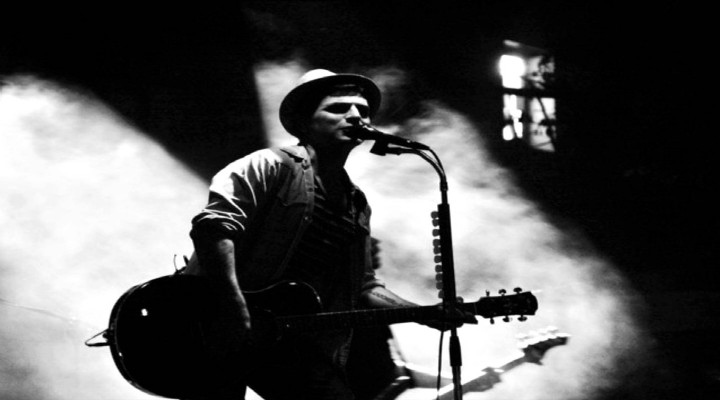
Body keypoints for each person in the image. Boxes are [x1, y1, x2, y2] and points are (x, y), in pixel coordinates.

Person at [183, 69, 472, 400]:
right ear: (304, 122)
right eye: (338, 108)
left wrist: (423, 313)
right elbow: (213, 229)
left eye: (363, 111)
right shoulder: (269, 165)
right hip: (214, 323)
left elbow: (364, 287)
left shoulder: (356, 203)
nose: (356, 116)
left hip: (287, 339)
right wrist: (232, 304)